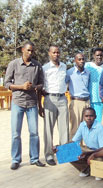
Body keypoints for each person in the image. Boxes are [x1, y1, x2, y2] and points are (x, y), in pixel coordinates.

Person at [4, 41, 45, 170]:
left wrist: (34, 87)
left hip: (32, 103)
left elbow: (41, 84)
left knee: (34, 133)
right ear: (22, 50)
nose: (30, 53)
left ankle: (34, 158)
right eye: (28, 50)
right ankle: (16, 159)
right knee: (16, 133)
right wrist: (21, 87)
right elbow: (7, 83)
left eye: (32, 51)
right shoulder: (14, 64)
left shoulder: (37, 66)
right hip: (18, 103)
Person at [42, 45, 69, 166]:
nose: (56, 54)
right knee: (48, 129)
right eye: (54, 52)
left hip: (62, 98)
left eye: (58, 52)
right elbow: (41, 84)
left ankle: (64, 155)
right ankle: (49, 155)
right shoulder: (45, 68)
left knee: (64, 129)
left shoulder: (64, 67)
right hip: (50, 98)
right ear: (49, 53)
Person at [69, 107, 103, 178]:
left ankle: (95, 168)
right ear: (83, 117)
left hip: (98, 152)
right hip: (88, 149)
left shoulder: (99, 127)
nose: (89, 118)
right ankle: (86, 169)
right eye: (86, 116)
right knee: (68, 151)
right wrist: (60, 147)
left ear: (95, 117)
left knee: (99, 177)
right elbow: (74, 141)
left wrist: (88, 154)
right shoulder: (82, 125)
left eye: (91, 116)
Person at [66, 53, 90, 140]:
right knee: (75, 128)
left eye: (83, 59)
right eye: (79, 59)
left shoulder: (88, 72)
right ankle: (73, 151)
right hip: (76, 102)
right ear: (74, 61)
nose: (81, 61)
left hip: (87, 102)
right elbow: (64, 85)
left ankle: (84, 151)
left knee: (86, 127)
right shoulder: (69, 72)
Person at [85, 48, 103, 122]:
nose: (99, 57)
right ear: (93, 56)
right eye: (97, 55)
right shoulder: (87, 66)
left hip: (101, 99)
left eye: (101, 55)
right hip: (89, 99)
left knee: (99, 121)